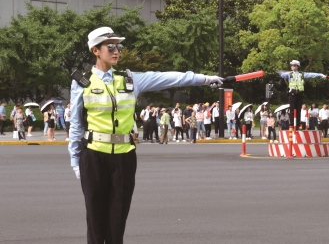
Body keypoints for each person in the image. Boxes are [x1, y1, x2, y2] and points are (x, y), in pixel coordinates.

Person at [68, 26, 222, 244]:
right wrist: (75, 161)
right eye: (110, 46)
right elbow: (75, 124)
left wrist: (204, 79)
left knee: (116, 223)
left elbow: (168, 78)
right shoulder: (81, 82)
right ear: (95, 50)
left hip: (124, 157)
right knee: (95, 224)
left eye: (118, 46)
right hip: (93, 156)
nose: (116, 51)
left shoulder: (130, 79)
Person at [278, 60, 326, 126]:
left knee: (298, 110)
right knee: (292, 110)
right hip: (292, 94)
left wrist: (320, 75)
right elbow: (282, 74)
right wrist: (278, 71)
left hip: (300, 94)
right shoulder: (289, 74)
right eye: (292, 65)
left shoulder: (302, 74)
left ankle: (297, 125)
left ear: (297, 66)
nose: (292, 66)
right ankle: (292, 124)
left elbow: (311, 75)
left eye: (294, 65)